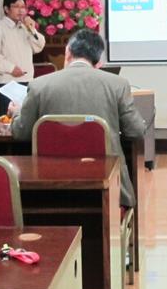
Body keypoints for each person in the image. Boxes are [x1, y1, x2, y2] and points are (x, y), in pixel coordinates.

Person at [9, 29, 146, 207]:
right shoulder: (117, 84)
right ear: (98, 59)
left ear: (68, 52)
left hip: (50, 190)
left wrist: (16, 112)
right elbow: (136, 131)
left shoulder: (39, 85)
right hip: (106, 190)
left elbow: (21, 133)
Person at [0, 0, 45, 116]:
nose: (21, 10)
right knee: (8, 119)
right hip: (8, 83)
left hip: (27, 80)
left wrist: (32, 29)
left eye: (23, 7)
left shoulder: (25, 28)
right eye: (16, 6)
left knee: (27, 118)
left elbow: (39, 46)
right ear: (6, 9)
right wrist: (11, 68)